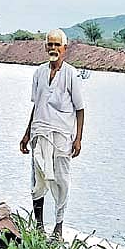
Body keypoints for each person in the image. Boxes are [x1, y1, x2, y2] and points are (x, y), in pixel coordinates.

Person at [19, 29, 85, 237]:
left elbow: (80, 108)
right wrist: (26, 133)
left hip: (62, 136)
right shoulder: (38, 73)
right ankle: (38, 226)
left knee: (61, 180)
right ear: (45, 47)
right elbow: (36, 105)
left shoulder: (71, 74)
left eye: (57, 45)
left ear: (65, 48)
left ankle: (58, 226)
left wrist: (78, 139)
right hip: (39, 133)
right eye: (50, 44)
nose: (53, 48)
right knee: (37, 180)